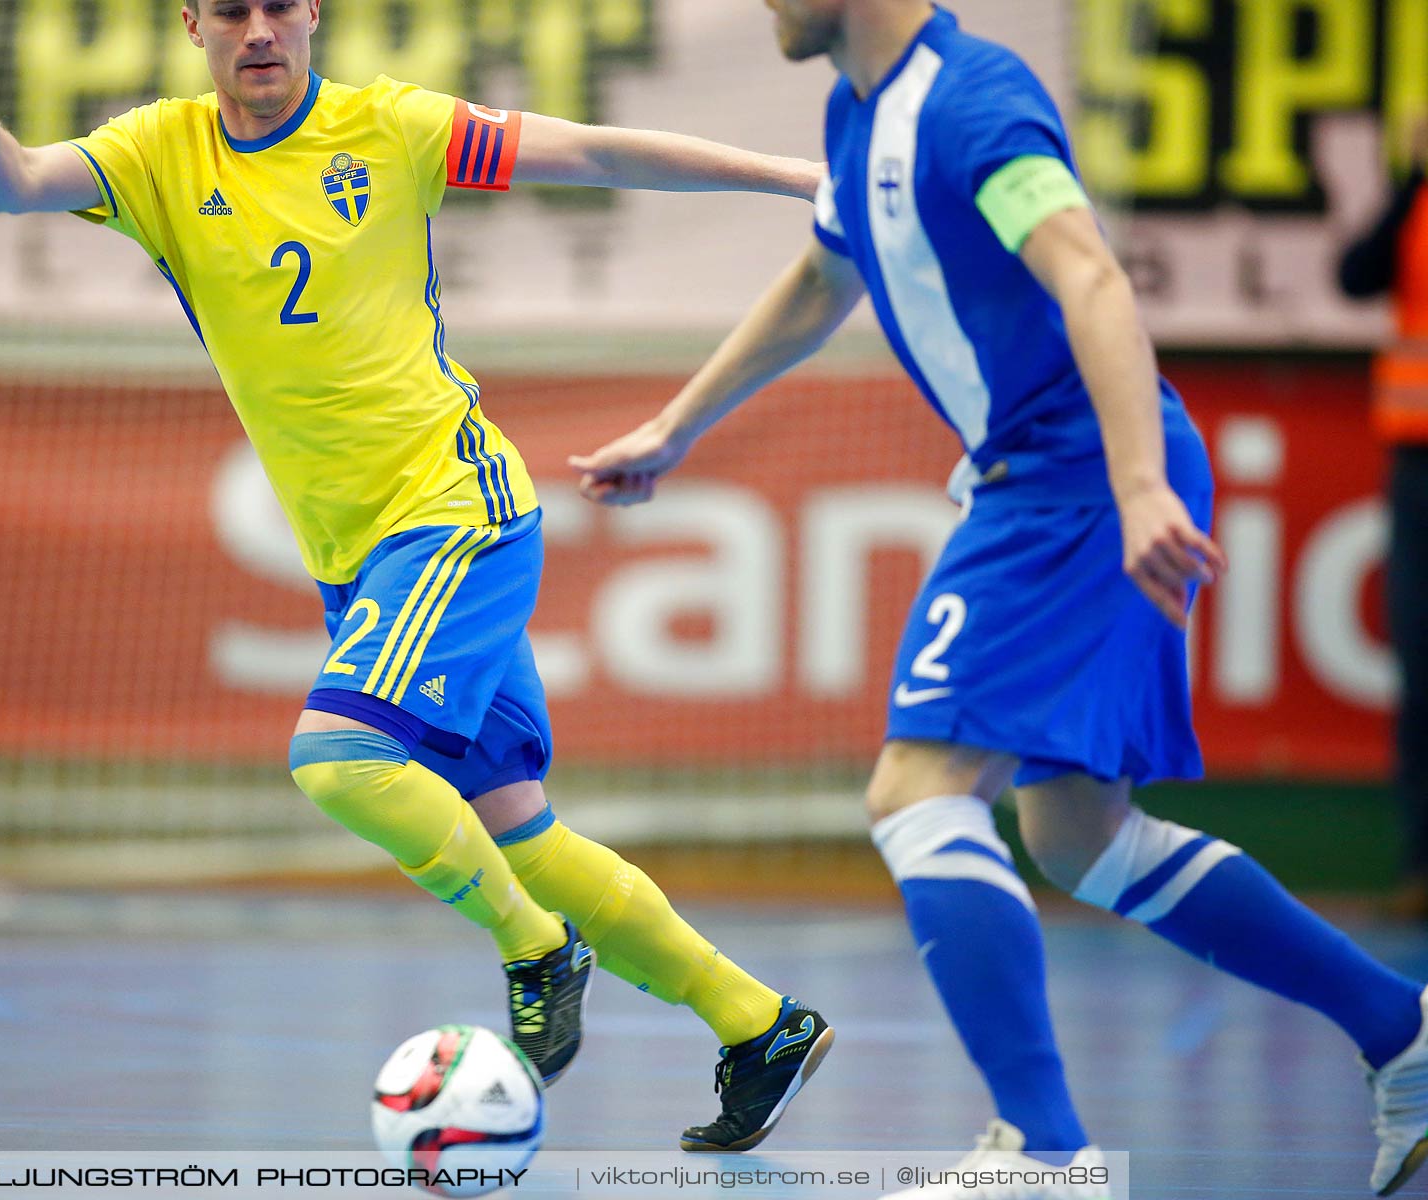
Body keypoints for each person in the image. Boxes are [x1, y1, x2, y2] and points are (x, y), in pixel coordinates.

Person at [0, 0, 833, 1151]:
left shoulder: (391, 129)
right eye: (231, 8)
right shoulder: (155, 153)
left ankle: (536, 948)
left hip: (453, 513)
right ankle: (757, 1025)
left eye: (279, 6)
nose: (259, 30)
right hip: (361, 559)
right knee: (523, 839)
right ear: (193, 23)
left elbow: (590, 149)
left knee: (337, 757)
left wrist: (791, 173)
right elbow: (14, 185)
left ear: (314, 17)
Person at [571, 1, 1428, 1194]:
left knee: (916, 791)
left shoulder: (973, 105)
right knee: (1077, 834)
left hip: (1074, 478)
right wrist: (676, 426)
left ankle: (1046, 1150)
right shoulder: (857, 106)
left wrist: (1134, 490)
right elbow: (823, 281)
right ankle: (1405, 1032)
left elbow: (1093, 277)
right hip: (1054, 477)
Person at [1339, 117, 1428, 925]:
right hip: (1419, 469)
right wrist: (1409, 180)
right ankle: (1420, 866)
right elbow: (1355, 276)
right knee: (1420, 666)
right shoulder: (1418, 204)